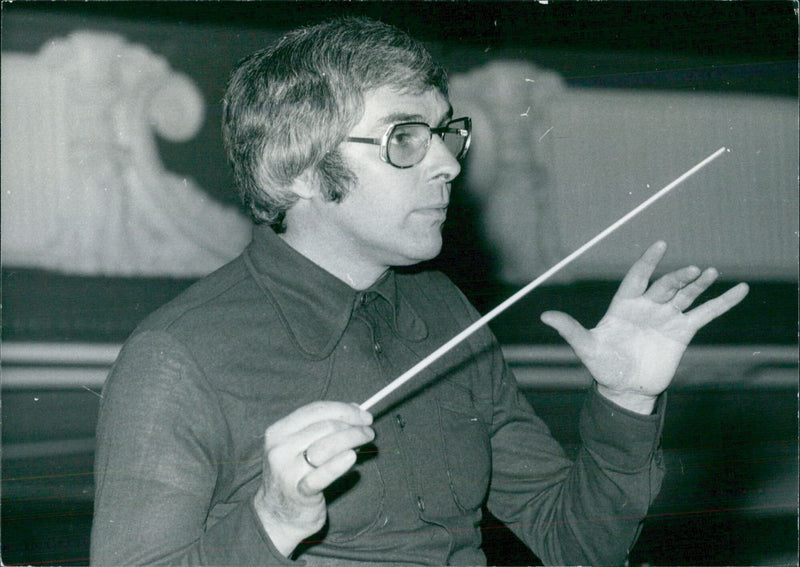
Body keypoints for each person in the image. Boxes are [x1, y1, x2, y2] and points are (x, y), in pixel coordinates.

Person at [90, 16, 749, 566]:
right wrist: (272, 520)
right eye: (406, 138)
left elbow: (575, 541)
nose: (448, 163)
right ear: (295, 169)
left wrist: (626, 400)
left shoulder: (443, 309)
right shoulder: (176, 355)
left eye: (444, 133)